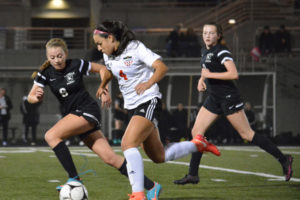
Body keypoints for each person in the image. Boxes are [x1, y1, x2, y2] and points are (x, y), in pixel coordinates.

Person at [93, 20, 220, 200]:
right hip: (132, 106)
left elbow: (161, 67)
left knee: (127, 144)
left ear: (111, 38)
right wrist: (104, 86)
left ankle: (138, 194)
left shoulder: (135, 48)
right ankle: (198, 144)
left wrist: (148, 83)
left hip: (148, 100)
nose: (98, 48)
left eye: (99, 43)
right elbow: (107, 71)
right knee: (159, 156)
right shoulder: (108, 54)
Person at [27, 38, 162, 200]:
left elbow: (104, 69)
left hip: (87, 110)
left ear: (66, 54)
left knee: (51, 135)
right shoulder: (45, 73)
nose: (57, 60)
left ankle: (74, 178)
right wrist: (37, 97)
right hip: (75, 115)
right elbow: (31, 97)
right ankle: (152, 186)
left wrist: (103, 86)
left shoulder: (76, 64)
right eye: (52, 57)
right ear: (47, 57)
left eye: (60, 56)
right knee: (110, 158)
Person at [173, 22, 293, 185]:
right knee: (197, 132)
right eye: (205, 33)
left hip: (229, 97)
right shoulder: (204, 50)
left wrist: (210, 75)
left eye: (211, 33)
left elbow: (233, 73)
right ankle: (193, 175)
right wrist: (201, 80)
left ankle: (284, 159)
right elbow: (205, 70)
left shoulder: (222, 51)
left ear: (219, 35)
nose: (207, 35)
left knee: (247, 134)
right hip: (214, 98)